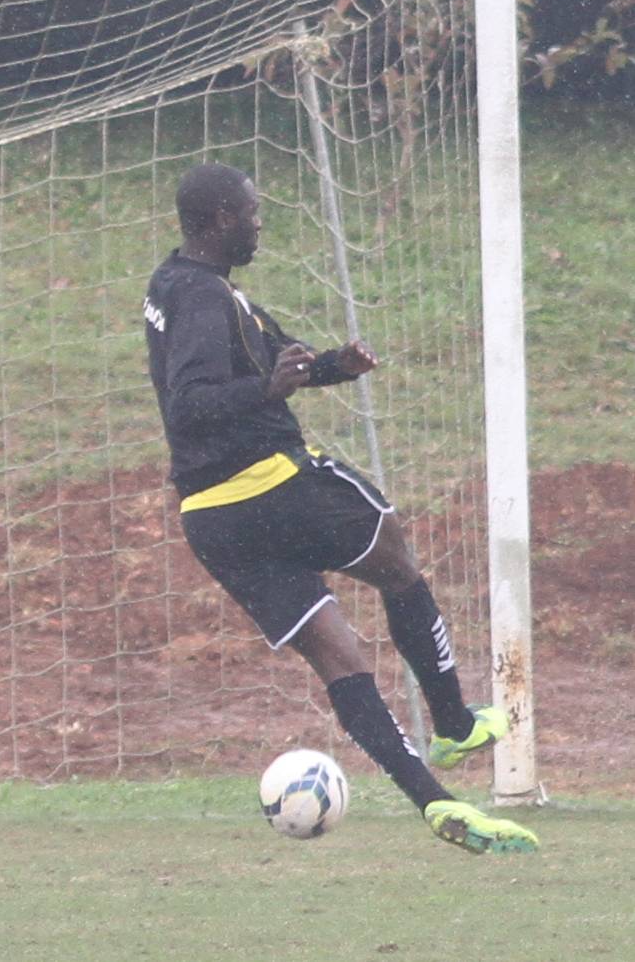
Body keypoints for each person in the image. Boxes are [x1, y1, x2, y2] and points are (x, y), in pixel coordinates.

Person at [143, 161, 539, 855]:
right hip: (269, 484)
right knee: (392, 549)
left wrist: (329, 367)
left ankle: (437, 805)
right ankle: (451, 723)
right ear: (220, 219)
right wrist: (269, 391)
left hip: (210, 517)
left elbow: (270, 368)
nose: (260, 221)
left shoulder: (180, 288)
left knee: (337, 654)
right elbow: (191, 403)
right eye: (252, 210)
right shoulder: (204, 299)